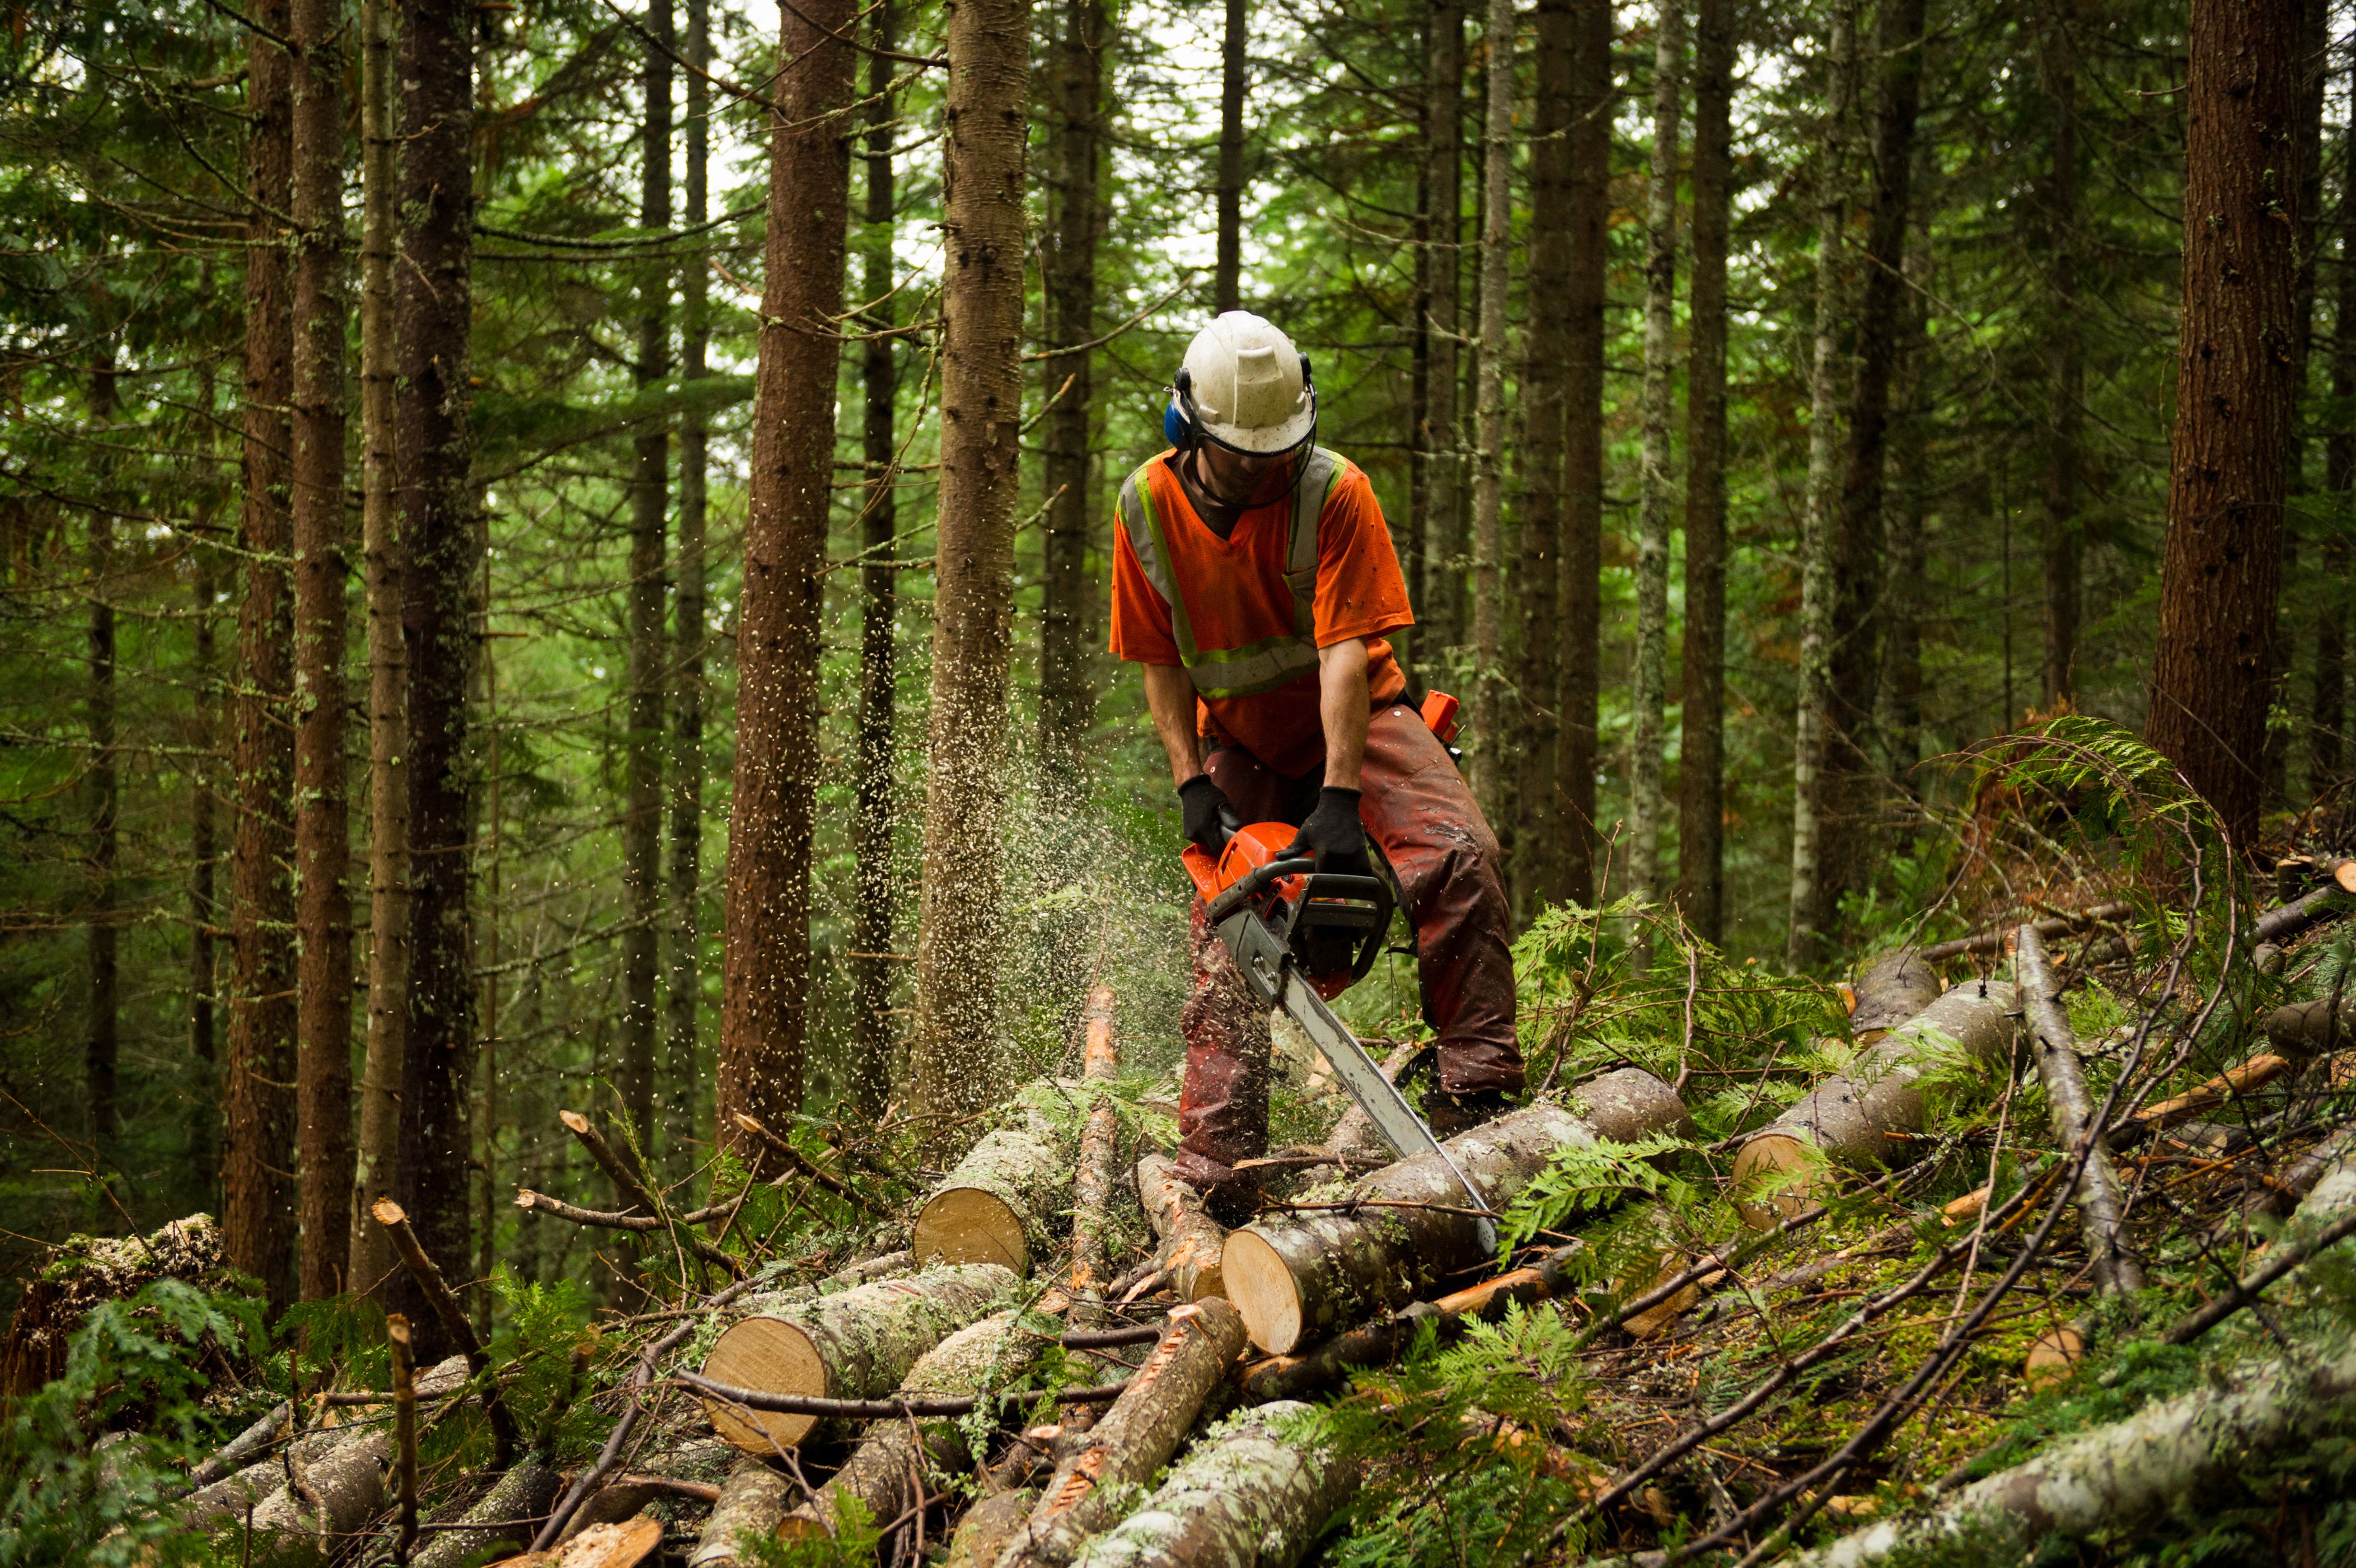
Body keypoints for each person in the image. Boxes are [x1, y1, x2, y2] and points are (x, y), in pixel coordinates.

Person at [1108, 310, 1525, 1222]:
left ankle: (1481, 1093)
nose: (1264, 468)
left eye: (1275, 452)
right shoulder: (1145, 506)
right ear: (1188, 429)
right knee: (1226, 936)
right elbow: (1158, 655)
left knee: (1458, 855)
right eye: (1244, 456)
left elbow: (1345, 652)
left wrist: (1338, 799)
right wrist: (1190, 780)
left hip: (1359, 710)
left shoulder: (1334, 491)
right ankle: (1218, 1167)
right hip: (1243, 739)